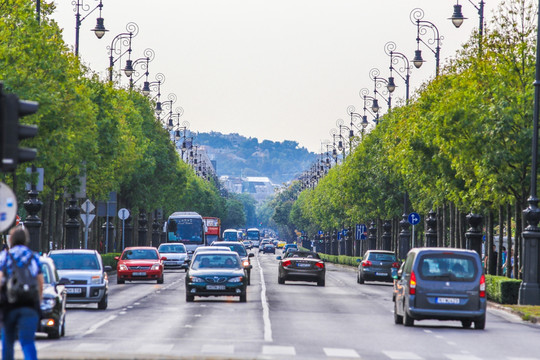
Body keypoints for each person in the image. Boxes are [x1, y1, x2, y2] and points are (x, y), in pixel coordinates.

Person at [0, 226, 43, 360]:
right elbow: (40, 282)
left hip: (9, 305)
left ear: (10, 240)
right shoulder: (34, 257)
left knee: (7, 342)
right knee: (28, 342)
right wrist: (38, 301)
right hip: (29, 305)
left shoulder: (5, 256)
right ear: (26, 240)